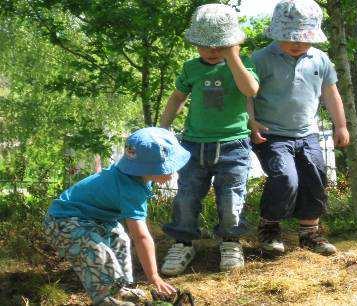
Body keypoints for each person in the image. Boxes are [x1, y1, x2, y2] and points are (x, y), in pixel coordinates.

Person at [159, 3, 259, 276]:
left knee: (231, 198)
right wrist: (162, 127)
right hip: (193, 144)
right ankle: (183, 242)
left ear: (232, 43)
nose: (213, 51)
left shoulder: (243, 65)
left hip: (233, 145)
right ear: (195, 44)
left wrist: (234, 56)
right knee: (187, 196)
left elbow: (250, 89)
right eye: (206, 45)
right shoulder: (191, 68)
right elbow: (177, 97)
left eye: (220, 45)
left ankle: (230, 241)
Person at [44, 127, 190, 306]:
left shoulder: (135, 176)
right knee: (97, 250)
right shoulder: (130, 188)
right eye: (167, 168)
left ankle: (119, 288)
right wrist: (153, 277)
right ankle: (106, 298)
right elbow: (141, 236)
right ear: (146, 168)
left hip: (95, 219)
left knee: (120, 238)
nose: (172, 174)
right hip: (63, 222)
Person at [249, 0, 350, 256]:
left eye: (304, 39)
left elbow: (330, 93)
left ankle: (309, 232)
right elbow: (245, 94)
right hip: (271, 135)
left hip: (308, 133)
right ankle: (270, 227)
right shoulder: (260, 58)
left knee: (315, 177)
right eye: (290, 38)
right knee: (285, 178)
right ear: (277, 33)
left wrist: (341, 125)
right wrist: (251, 121)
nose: (297, 43)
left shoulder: (320, 59)